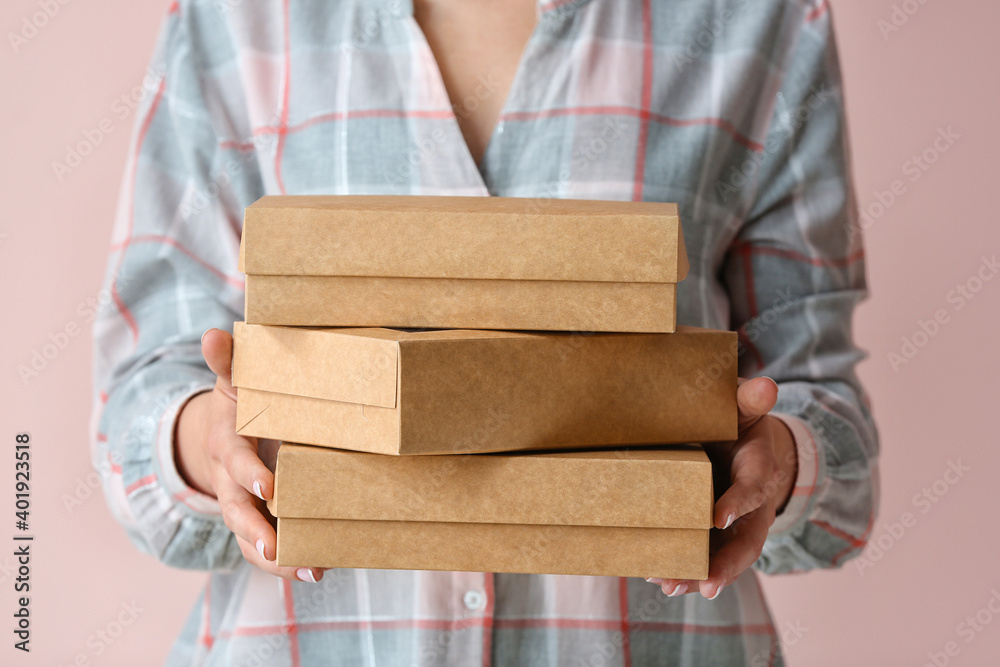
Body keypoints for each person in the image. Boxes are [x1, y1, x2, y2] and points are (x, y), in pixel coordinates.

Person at [90, 0, 879, 664]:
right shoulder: (237, 16)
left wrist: (781, 461)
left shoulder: (755, 16)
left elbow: (829, 427)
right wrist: (210, 440)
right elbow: (139, 394)